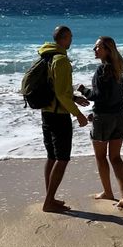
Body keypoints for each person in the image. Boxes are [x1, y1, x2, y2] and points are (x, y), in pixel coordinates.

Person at [38, 25, 89, 213]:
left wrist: (75, 97)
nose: (72, 40)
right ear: (64, 38)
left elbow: (56, 90)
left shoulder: (47, 56)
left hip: (46, 112)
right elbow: (60, 93)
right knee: (62, 158)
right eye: (70, 37)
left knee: (52, 157)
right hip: (59, 116)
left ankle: (49, 198)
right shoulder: (61, 60)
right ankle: (49, 201)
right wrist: (78, 114)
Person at [77, 36, 123, 209]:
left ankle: (108, 192)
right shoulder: (118, 68)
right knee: (115, 157)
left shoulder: (102, 70)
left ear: (107, 49)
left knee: (101, 157)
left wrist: (83, 90)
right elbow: (111, 96)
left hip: (104, 119)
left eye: (98, 47)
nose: (94, 49)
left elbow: (98, 96)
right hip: (119, 117)